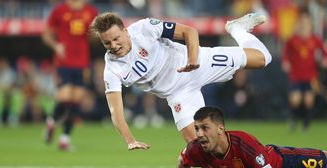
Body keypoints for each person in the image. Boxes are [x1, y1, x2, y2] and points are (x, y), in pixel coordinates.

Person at [90, 12, 272, 149]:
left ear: (126, 31)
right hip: (178, 94)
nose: (113, 46)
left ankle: (237, 29)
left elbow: (189, 31)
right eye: (107, 43)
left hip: (198, 62)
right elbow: (116, 111)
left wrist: (193, 60)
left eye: (116, 38)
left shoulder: (145, 28)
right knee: (199, 145)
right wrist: (130, 141)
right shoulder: (112, 68)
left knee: (263, 58)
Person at [167, 106, 327, 168]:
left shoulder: (245, 146)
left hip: (284, 165)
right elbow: (182, 161)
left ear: (220, 129)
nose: (199, 134)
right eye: (197, 128)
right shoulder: (196, 148)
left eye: (205, 128)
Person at [42, 0, 98, 150]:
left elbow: (93, 38)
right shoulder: (59, 10)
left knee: (77, 99)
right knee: (65, 95)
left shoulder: (91, 11)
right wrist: (56, 46)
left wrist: (95, 34)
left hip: (82, 62)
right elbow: (46, 34)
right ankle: (52, 122)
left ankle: (64, 139)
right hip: (64, 61)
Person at [281, 10, 327, 131]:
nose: (304, 23)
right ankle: (293, 120)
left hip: (311, 75)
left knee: (308, 101)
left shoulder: (315, 39)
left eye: (307, 21)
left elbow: (324, 52)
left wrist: (324, 60)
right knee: (295, 100)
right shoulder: (293, 39)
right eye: (302, 21)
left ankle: (306, 123)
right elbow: (286, 52)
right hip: (296, 75)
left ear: (310, 23)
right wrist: (285, 62)